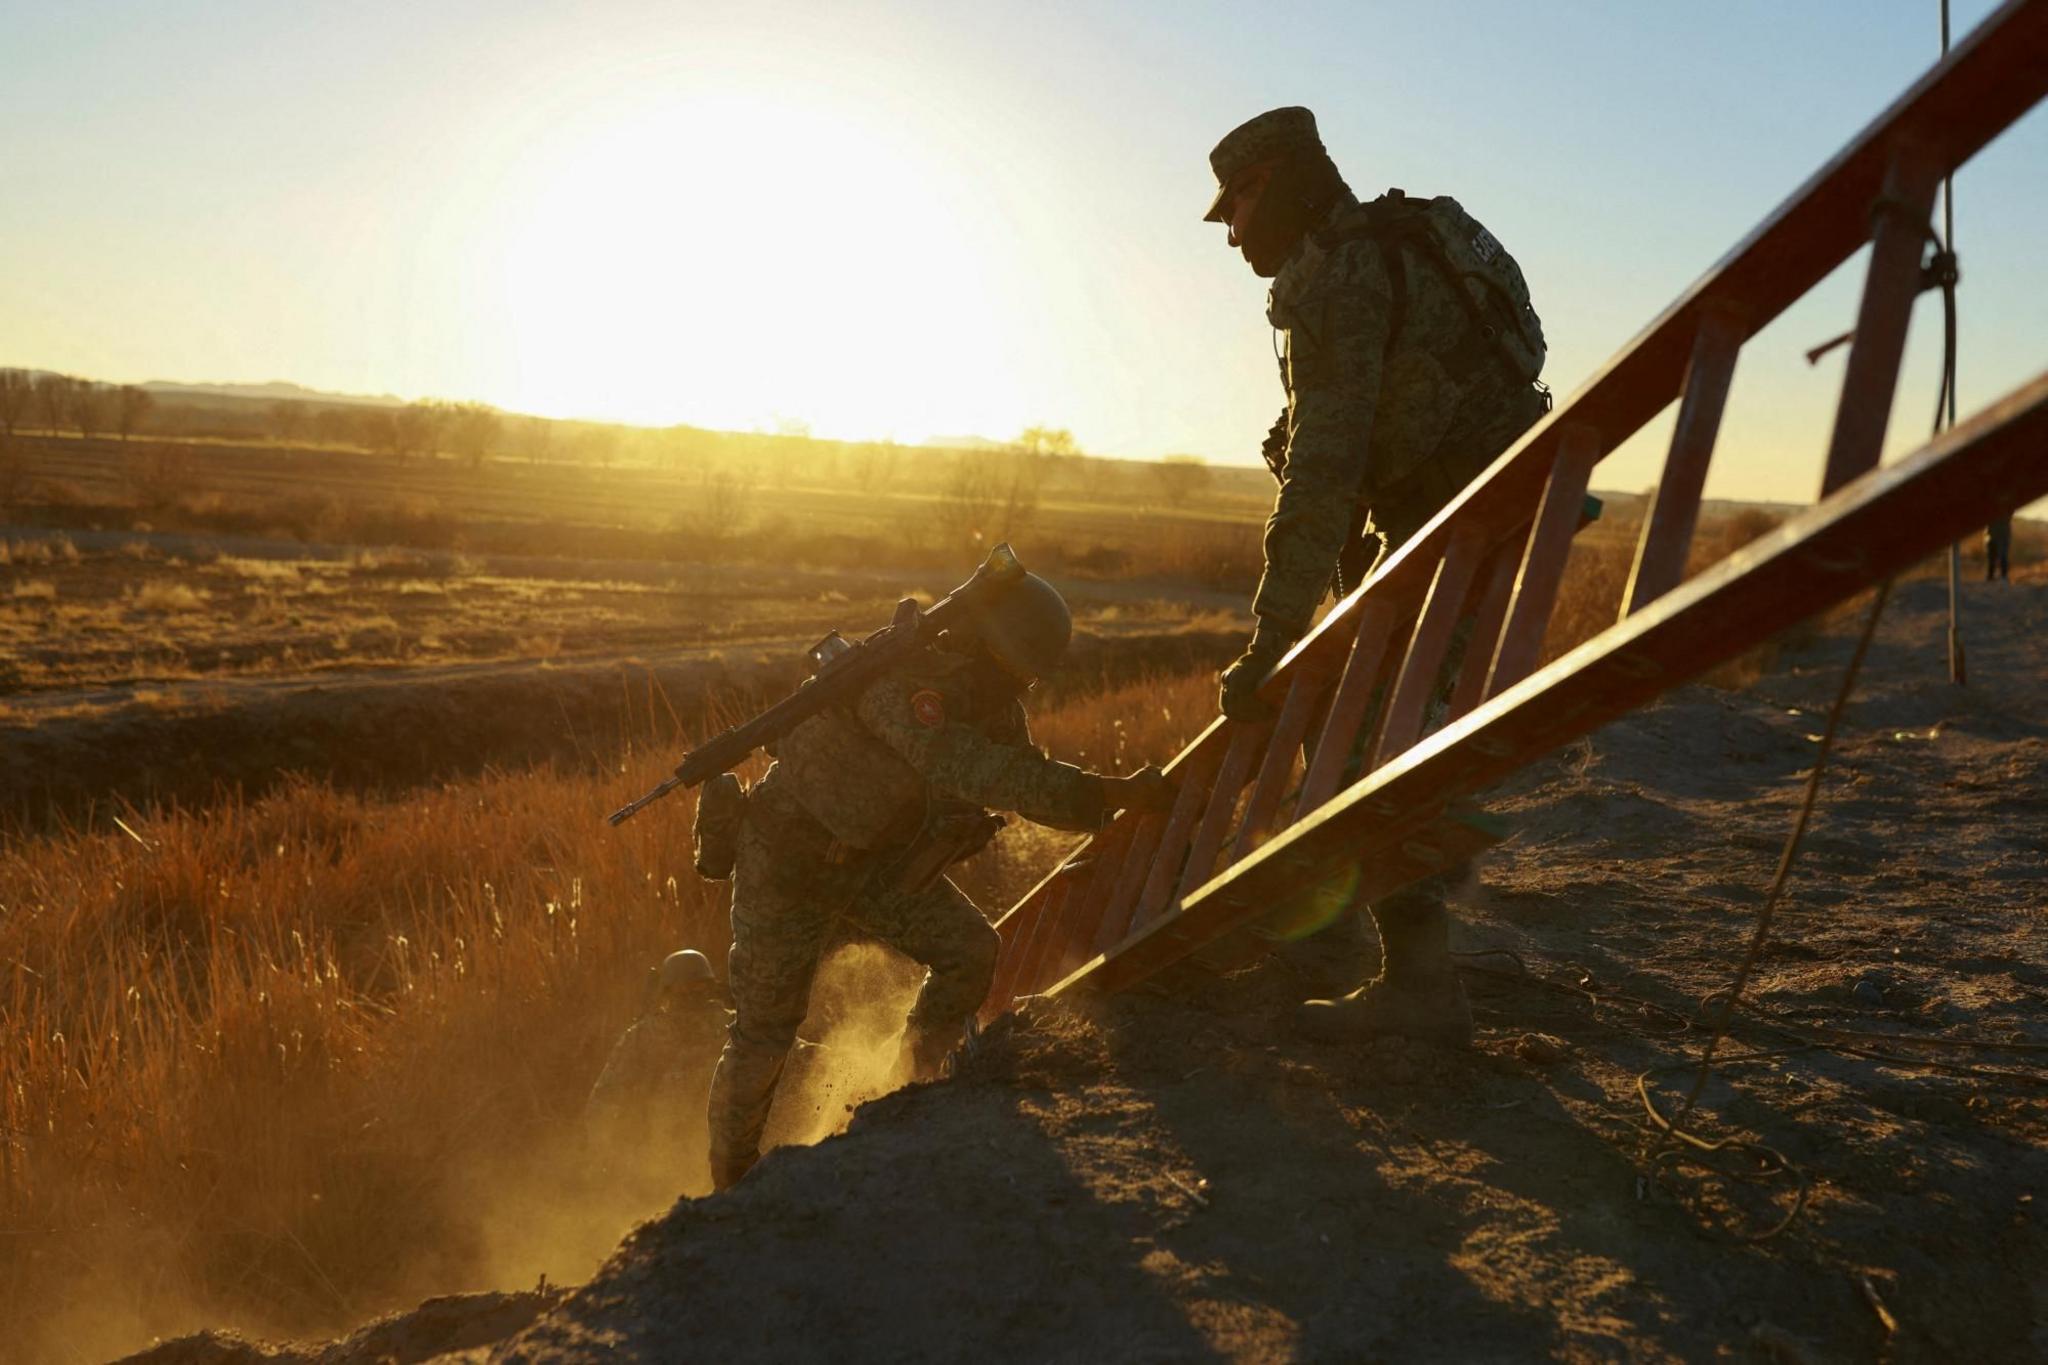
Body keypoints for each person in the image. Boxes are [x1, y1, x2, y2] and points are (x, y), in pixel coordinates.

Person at [1203, 106, 1551, 1047]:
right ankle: (1354, 936)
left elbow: (1326, 474)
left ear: (1275, 183)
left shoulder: (1343, 280)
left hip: (1465, 530)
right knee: (1353, 708)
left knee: (1349, 716)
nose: (1232, 233)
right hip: (1478, 520)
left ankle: (1417, 986)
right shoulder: (1376, 249)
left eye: (1235, 207)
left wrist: (1271, 638)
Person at [707, 569, 1176, 1189]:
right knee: (765, 1030)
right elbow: (966, 766)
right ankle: (731, 1181)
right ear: (983, 644)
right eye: (1013, 667)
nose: (1018, 685)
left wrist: (1108, 813)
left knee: (969, 951)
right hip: (786, 861)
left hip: (869, 870)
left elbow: (1024, 777)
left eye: (1027, 676)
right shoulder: (903, 679)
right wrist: (1107, 791)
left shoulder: (994, 706)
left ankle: (905, 1089)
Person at [585, 949, 731, 1159]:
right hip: (661, 1152)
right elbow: (606, 1098)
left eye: (697, 987)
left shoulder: (734, 1028)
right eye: (684, 988)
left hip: (714, 1147)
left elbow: (604, 1100)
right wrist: (608, 1153)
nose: (690, 994)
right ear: (669, 992)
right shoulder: (643, 1036)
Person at [1985, 517, 2012, 582]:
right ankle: (1991, 576)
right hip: (1993, 536)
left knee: (2002, 556)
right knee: (1992, 558)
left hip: (2001, 535)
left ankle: (2003, 576)